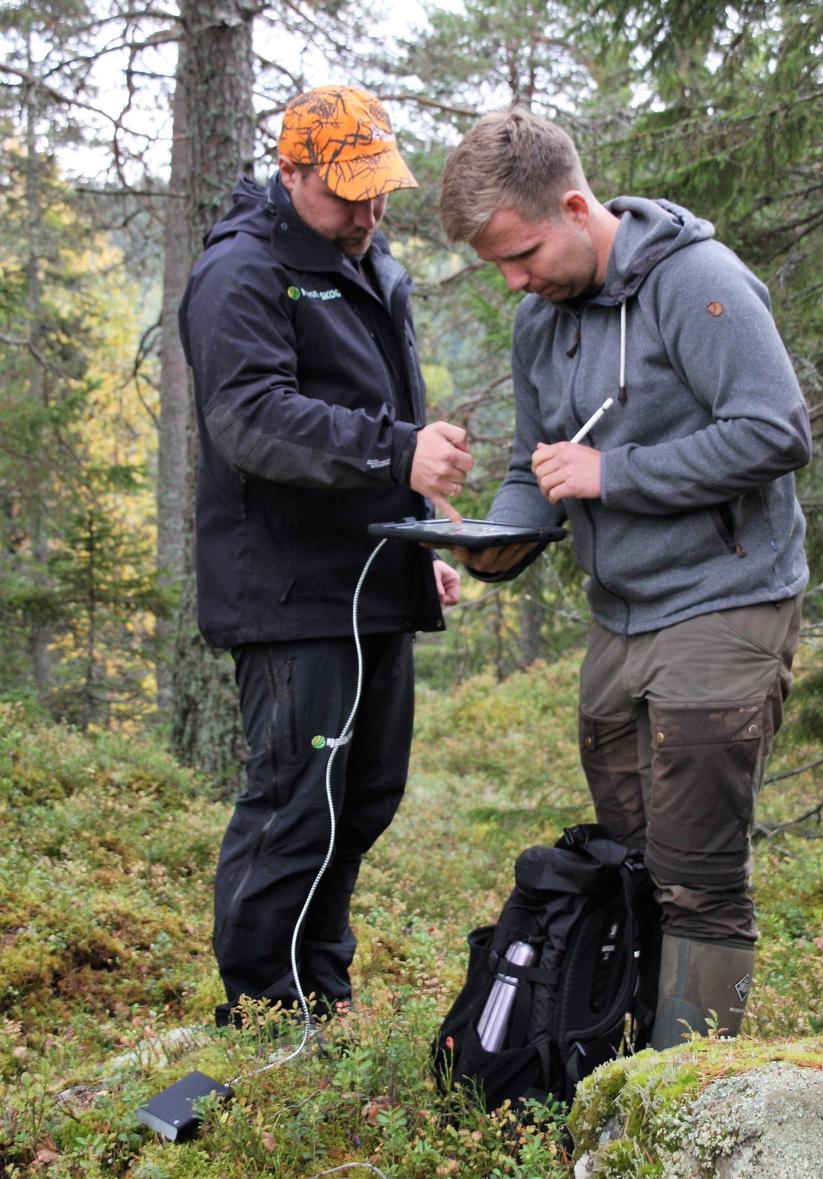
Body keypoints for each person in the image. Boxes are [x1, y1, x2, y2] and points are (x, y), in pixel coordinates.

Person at [438, 108, 811, 1046]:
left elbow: (776, 430)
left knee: (698, 876)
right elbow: (535, 466)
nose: (514, 281)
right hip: (621, 619)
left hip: (725, 601)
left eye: (521, 254)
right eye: (498, 267)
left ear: (574, 205)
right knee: (633, 861)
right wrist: (492, 540)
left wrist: (618, 474)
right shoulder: (540, 320)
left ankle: (690, 1105)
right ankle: (620, 1062)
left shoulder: (698, 283)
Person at [179, 84, 471, 1027]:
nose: (369, 210)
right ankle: (263, 1011)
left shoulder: (369, 257)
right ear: (292, 170)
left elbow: (380, 403)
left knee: (365, 796)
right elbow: (249, 420)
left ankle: (320, 996)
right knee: (294, 807)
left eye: (379, 189)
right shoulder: (244, 269)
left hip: (373, 579)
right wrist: (399, 453)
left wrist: (420, 524)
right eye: (347, 192)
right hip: (290, 594)